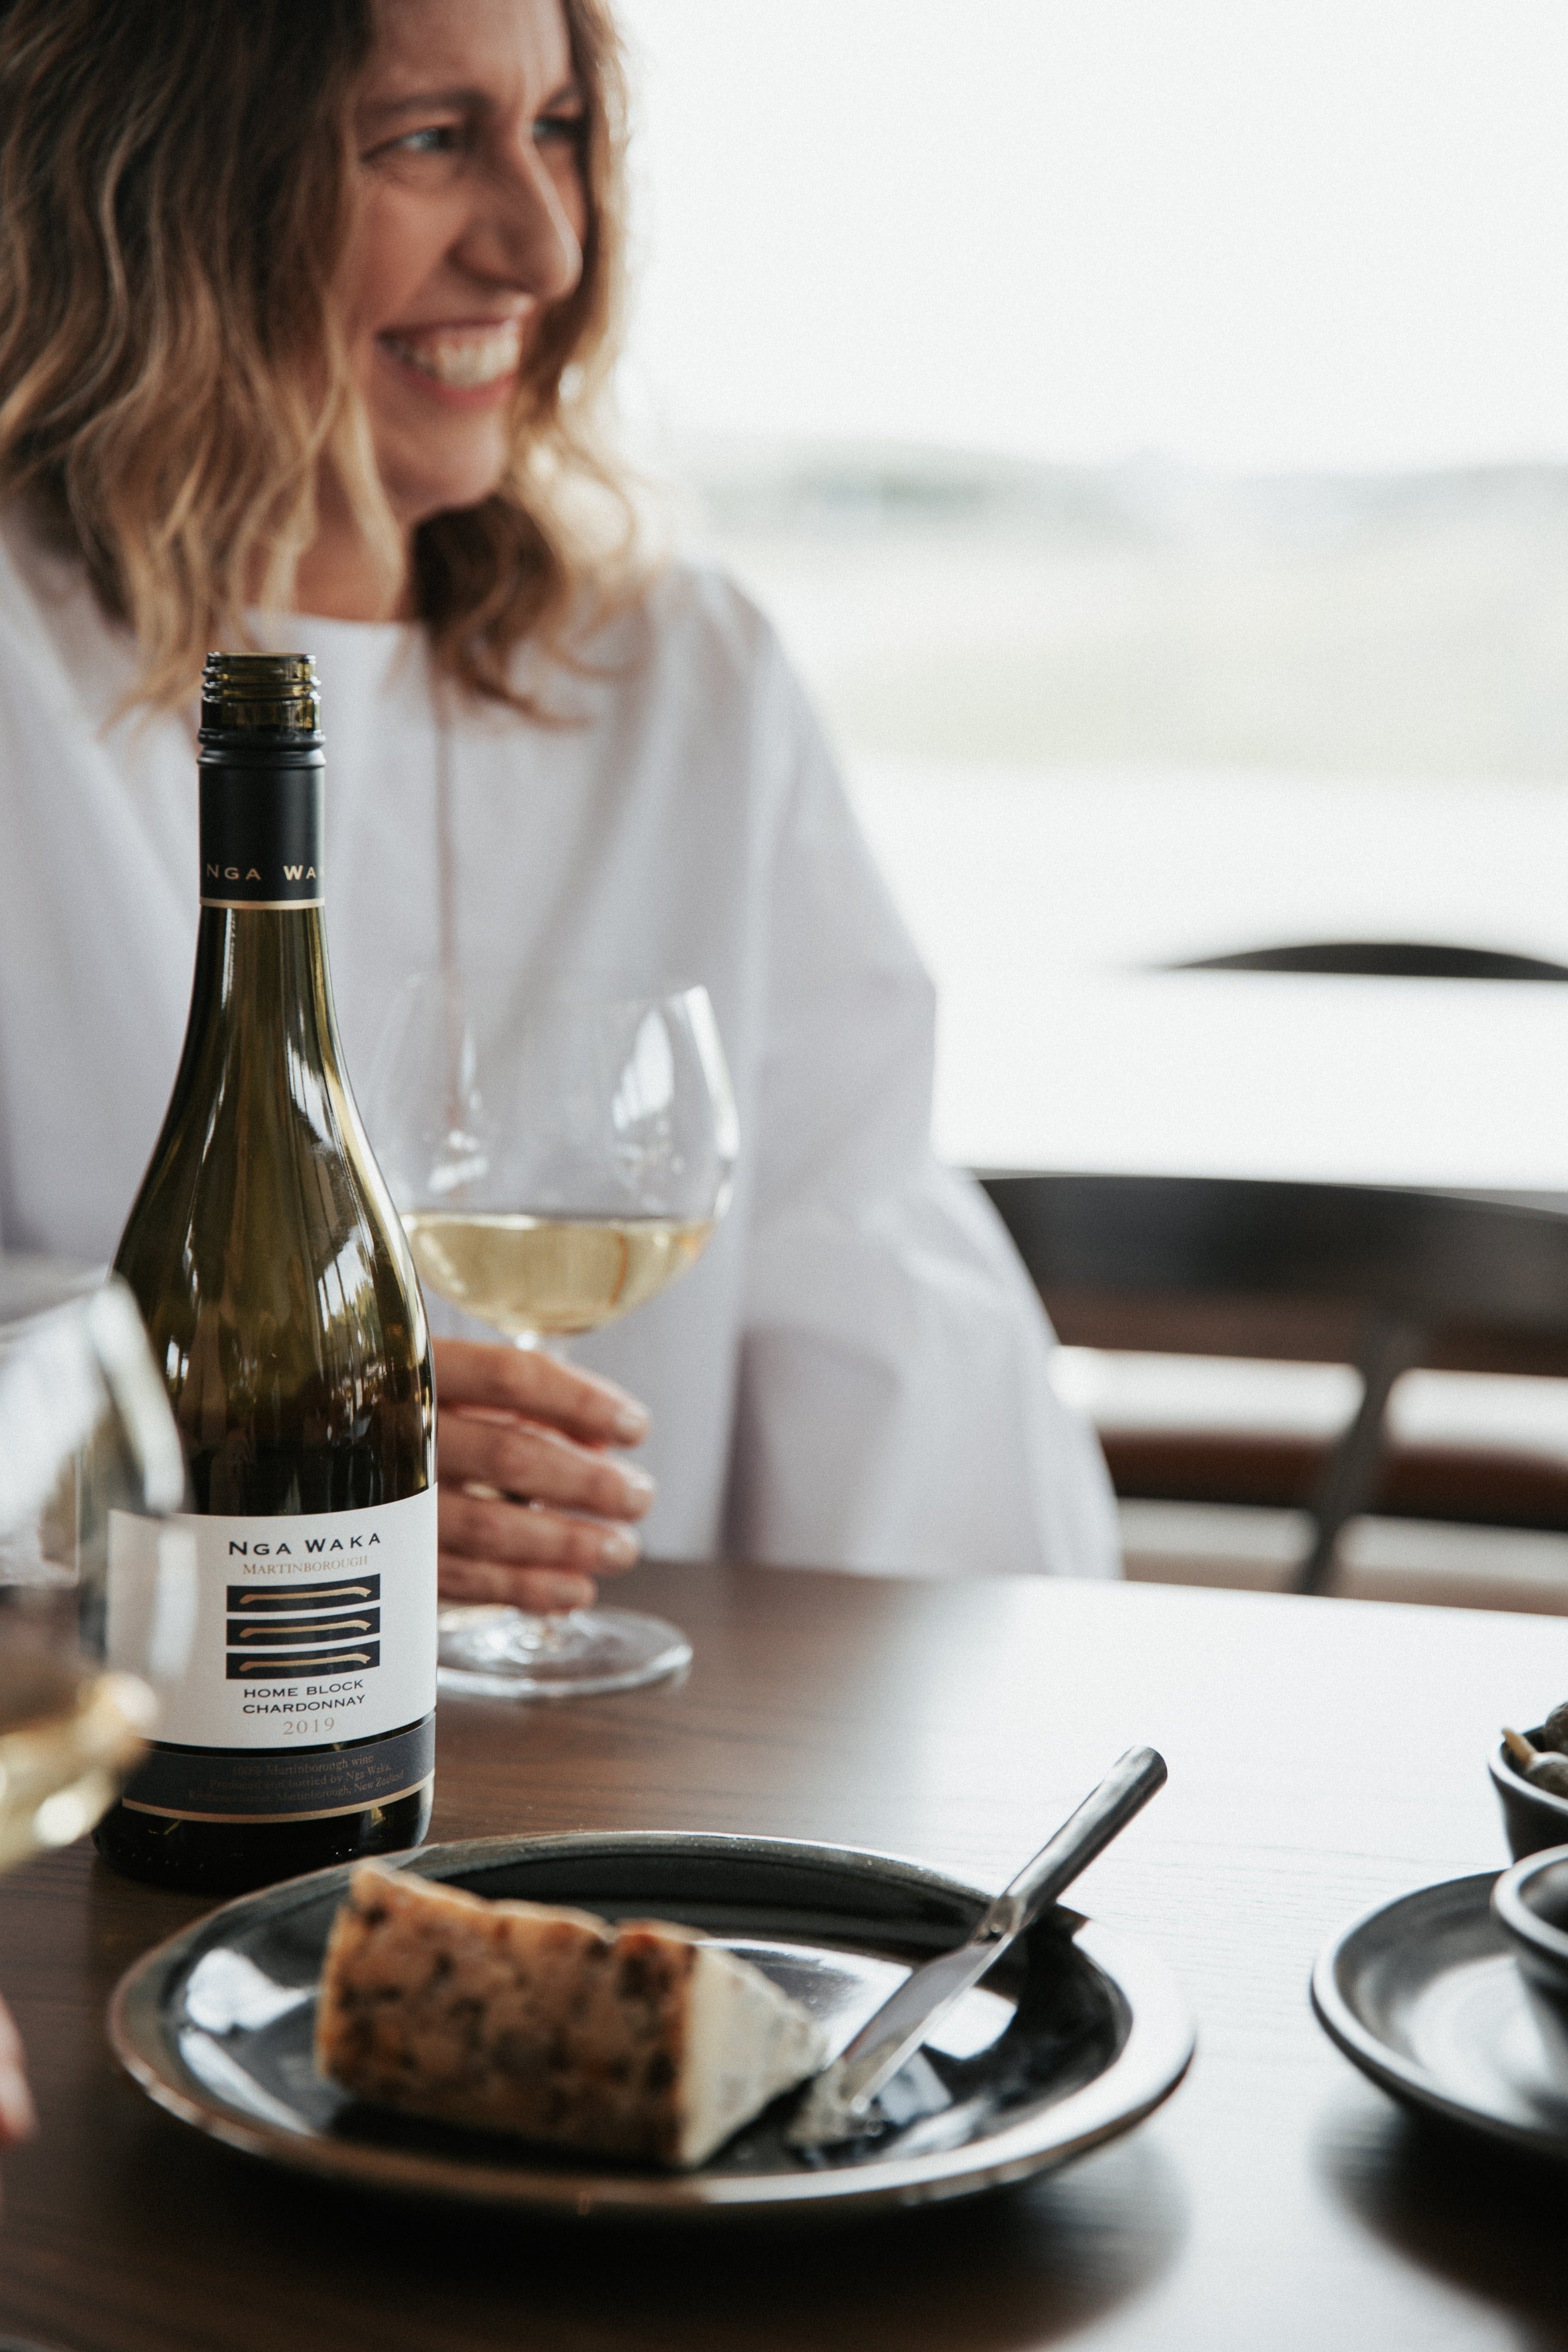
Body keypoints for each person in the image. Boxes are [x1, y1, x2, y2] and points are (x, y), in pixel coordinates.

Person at [0, 0, 1118, 1595]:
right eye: (428, 140)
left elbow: (886, 1323)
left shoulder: (681, 678)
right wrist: (209, 1458)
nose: (540, 248)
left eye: (560, 131)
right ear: (159, 185)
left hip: (632, 1766)